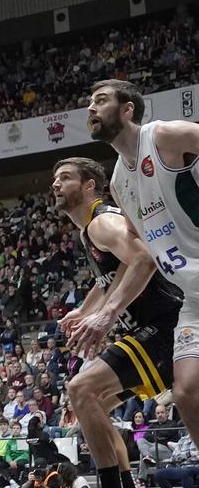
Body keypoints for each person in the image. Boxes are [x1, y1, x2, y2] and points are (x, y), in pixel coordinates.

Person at [54, 153, 184, 488]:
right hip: (154, 330)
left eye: (65, 177)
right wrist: (85, 307)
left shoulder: (102, 222)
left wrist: (107, 314)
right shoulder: (89, 231)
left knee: (81, 389)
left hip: (164, 328)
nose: (55, 184)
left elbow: (143, 259)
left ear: (89, 185)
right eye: (54, 179)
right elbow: (114, 273)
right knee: (96, 405)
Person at [91, 80, 199, 455]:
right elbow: (141, 255)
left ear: (127, 110)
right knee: (186, 392)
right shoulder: (120, 182)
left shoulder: (168, 135)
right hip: (191, 297)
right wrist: (104, 311)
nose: (91, 108)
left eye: (101, 101)